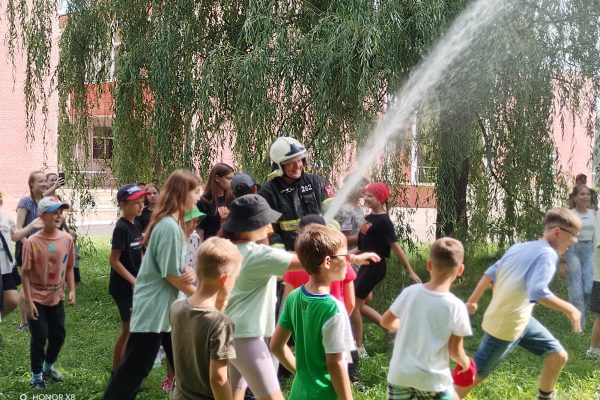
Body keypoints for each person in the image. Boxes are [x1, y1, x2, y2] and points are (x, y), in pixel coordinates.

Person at [457, 207, 582, 400]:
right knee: (476, 374)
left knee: (557, 356)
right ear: (557, 232)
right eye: (573, 235)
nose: (574, 241)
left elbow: (490, 272)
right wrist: (570, 308)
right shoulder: (548, 255)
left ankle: (545, 397)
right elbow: (538, 292)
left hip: (521, 319)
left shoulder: (521, 247)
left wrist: (472, 301)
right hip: (505, 326)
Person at [103, 169, 200, 399]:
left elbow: (171, 268)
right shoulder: (168, 226)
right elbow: (170, 275)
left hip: (166, 310)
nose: (198, 196)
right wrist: (201, 298)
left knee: (185, 368)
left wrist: (186, 270)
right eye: (196, 191)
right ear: (182, 193)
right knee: (133, 372)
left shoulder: (172, 224)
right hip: (154, 311)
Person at [270, 224, 356, 400]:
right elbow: (335, 363)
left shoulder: (294, 297)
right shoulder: (334, 308)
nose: (348, 261)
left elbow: (276, 346)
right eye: (344, 256)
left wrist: (302, 374)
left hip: (298, 393)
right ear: (327, 262)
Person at [380, 238, 472, 400]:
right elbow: (454, 352)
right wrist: (465, 363)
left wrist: (408, 325)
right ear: (460, 270)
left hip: (400, 375)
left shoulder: (410, 292)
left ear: (429, 265)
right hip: (432, 380)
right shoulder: (456, 306)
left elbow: (385, 321)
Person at [350, 182, 421, 357]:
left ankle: (359, 348)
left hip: (375, 268)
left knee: (353, 306)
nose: (366, 199)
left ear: (381, 199)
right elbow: (361, 247)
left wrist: (410, 271)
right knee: (359, 304)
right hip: (364, 266)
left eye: (370, 196)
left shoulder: (384, 222)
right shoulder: (367, 219)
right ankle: (394, 328)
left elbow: (396, 248)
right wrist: (343, 257)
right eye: (365, 195)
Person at [170, 237, 243, 400]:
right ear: (224, 278)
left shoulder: (176, 308)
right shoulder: (221, 323)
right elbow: (218, 379)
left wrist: (219, 307)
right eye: (235, 278)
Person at [22, 196, 75, 389]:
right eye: (54, 211)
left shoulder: (67, 239)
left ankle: (47, 367)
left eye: (61, 211)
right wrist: (29, 302)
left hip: (56, 299)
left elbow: (69, 267)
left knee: (59, 336)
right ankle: (36, 376)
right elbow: (25, 274)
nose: (59, 215)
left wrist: (72, 291)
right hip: (36, 299)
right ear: (42, 216)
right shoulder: (32, 242)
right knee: (39, 337)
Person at [258, 137, 329, 251]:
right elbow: (268, 229)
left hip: (320, 249)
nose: (297, 166)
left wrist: (328, 240)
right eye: (290, 162)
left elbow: (335, 214)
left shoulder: (316, 182)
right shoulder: (268, 193)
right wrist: (283, 256)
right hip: (290, 254)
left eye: (299, 160)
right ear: (279, 166)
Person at [108, 184, 149, 374]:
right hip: (123, 288)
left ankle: (124, 371)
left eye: (142, 202)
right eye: (136, 203)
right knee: (128, 330)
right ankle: (118, 373)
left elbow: (139, 251)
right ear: (123, 204)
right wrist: (133, 281)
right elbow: (114, 261)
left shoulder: (137, 224)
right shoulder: (121, 228)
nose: (141, 206)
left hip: (136, 284)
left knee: (133, 330)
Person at [0, 190, 43, 319]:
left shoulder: (6, 217)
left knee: (12, 300)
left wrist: (30, 226)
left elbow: (14, 236)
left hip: (6, 267)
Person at [15, 170, 48, 330]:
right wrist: (28, 243)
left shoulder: (46, 202)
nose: (44, 183)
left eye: (45, 181)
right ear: (31, 184)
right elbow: (18, 228)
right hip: (26, 248)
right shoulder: (25, 202)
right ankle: (23, 322)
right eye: (40, 181)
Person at [561, 184, 595, 329]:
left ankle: (581, 313)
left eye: (587, 194)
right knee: (576, 290)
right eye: (582, 194)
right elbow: (563, 237)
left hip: (590, 251)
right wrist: (563, 261)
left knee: (589, 288)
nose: (585, 197)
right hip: (573, 250)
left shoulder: (595, 213)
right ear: (575, 197)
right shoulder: (569, 215)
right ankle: (577, 323)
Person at [197, 163, 235, 240]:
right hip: (210, 247)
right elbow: (200, 230)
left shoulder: (233, 199)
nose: (232, 182)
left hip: (230, 247)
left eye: (233, 178)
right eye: (228, 178)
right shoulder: (203, 202)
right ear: (217, 178)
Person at [335, 175, 368, 247]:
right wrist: (367, 237)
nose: (365, 189)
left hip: (359, 250)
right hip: (350, 254)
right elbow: (344, 239)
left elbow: (361, 230)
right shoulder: (346, 209)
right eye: (362, 185)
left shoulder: (358, 208)